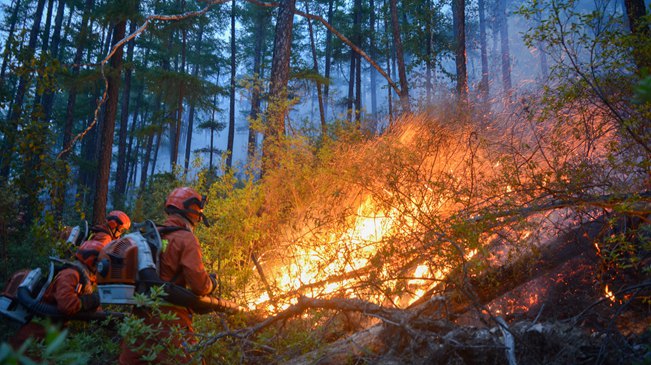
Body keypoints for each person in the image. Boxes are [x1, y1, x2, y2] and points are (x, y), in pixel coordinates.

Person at [119, 187, 217, 365]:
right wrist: (212, 283)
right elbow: (199, 285)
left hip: (139, 318)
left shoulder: (149, 234)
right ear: (192, 210)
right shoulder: (185, 238)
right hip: (170, 320)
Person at [11, 240, 104, 348]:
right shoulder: (70, 274)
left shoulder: (83, 278)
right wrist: (90, 300)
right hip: (35, 335)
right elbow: (67, 305)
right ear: (92, 261)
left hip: (48, 336)